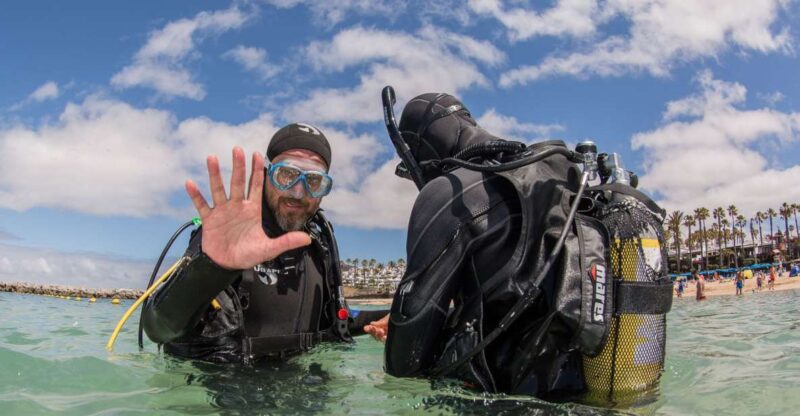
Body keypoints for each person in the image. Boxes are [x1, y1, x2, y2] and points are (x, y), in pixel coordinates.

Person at [366, 91, 672, 399]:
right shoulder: (556, 175)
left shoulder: (449, 193)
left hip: (511, 402)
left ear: (419, 150)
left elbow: (407, 356)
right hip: (592, 388)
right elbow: (527, 297)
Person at [142, 123, 385, 363]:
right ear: (267, 174)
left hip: (299, 390)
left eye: (313, 181)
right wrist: (214, 268)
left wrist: (393, 316)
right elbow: (158, 329)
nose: (298, 192)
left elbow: (338, 323)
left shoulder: (318, 247)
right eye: (287, 175)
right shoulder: (230, 235)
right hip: (220, 391)